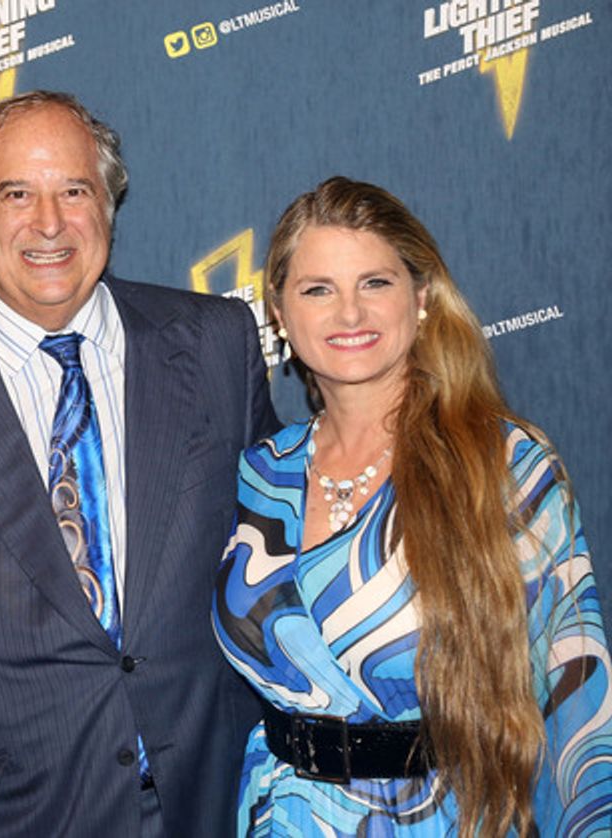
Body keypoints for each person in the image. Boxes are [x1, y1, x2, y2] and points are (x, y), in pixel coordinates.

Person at [0, 89, 278, 836]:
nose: (49, 223)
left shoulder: (217, 344)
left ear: (109, 203)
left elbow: (280, 558)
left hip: (212, 799)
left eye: (74, 190)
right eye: (17, 194)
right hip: (12, 819)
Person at [212, 176, 612, 836]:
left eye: (375, 283)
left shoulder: (503, 466)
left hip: (449, 818)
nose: (349, 313)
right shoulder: (261, 472)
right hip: (285, 815)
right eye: (318, 289)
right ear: (279, 313)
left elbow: (577, 695)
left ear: (420, 299)